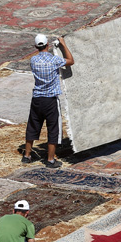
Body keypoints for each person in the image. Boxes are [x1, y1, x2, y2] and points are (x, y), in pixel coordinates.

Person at [23, 33, 74, 168]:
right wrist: (63, 44)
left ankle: (27, 155)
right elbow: (70, 60)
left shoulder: (33, 60)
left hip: (37, 99)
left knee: (33, 126)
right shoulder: (54, 60)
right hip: (50, 100)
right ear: (47, 45)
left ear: (36, 46)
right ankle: (50, 159)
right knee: (53, 129)